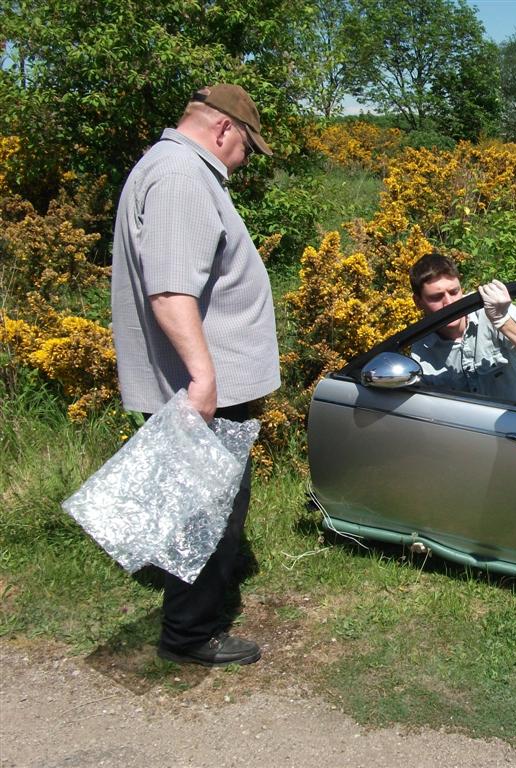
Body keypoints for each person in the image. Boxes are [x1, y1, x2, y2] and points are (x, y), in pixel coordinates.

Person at [110, 84, 279, 667]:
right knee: (211, 512)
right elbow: (171, 290)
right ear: (224, 129)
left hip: (202, 380)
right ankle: (189, 634)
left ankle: (188, 608)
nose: (245, 159)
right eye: (248, 147)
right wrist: (203, 379)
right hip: (206, 385)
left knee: (197, 505)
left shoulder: (172, 168)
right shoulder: (182, 176)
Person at [408, 252, 516, 407]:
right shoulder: (421, 350)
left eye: (454, 292)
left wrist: (503, 322)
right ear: (418, 302)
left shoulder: (494, 309)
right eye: (436, 297)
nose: (449, 303)